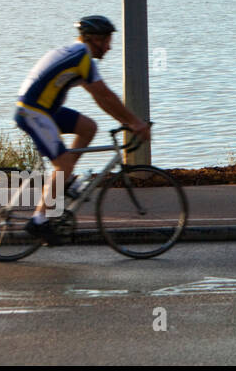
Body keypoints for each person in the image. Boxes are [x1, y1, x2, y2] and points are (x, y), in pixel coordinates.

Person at [14, 16, 151, 245]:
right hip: (33, 112)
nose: (110, 47)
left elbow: (101, 98)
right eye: (108, 40)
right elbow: (105, 95)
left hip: (43, 109)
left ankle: (64, 182)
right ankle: (38, 221)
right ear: (95, 39)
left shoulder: (78, 56)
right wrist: (135, 123)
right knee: (63, 163)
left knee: (88, 127)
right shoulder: (82, 58)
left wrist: (128, 121)